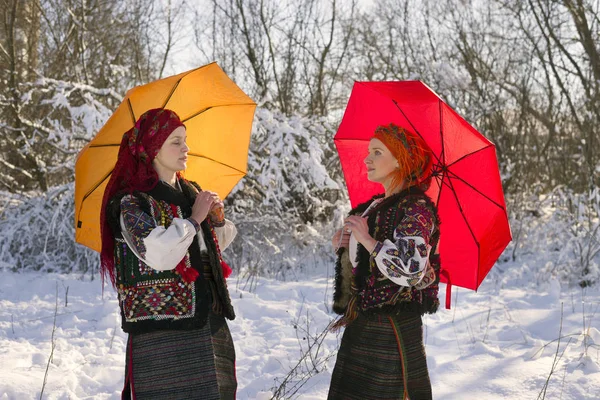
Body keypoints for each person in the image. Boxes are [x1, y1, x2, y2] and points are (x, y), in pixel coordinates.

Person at [100, 108, 237, 400]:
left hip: (207, 317)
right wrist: (194, 220)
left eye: (185, 140)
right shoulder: (131, 202)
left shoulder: (190, 193)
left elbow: (206, 249)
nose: (186, 148)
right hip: (160, 330)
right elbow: (159, 254)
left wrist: (217, 219)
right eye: (175, 141)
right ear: (152, 148)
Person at [328, 123, 441, 400]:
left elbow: (411, 270)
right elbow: (364, 265)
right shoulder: (375, 205)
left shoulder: (416, 208)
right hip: (363, 323)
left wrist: (366, 239)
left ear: (401, 159)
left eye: (377, 152)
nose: (367, 159)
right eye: (369, 151)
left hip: (393, 329)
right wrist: (345, 245)